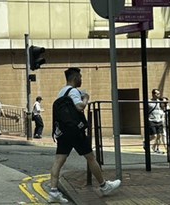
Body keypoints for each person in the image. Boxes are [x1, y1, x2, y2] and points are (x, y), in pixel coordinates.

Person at [48, 67, 121, 203]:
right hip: (75, 131)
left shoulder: (61, 92)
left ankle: (53, 192)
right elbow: (79, 106)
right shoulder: (74, 91)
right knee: (91, 158)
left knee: (58, 160)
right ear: (75, 78)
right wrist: (86, 99)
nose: (81, 79)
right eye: (80, 77)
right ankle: (104, 186)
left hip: (63, 131)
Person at [148, 89, 165, 154]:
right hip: (152, 120)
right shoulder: (149, 102)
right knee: (154, 136)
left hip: (159, 120)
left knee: (159, 135)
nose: (158, 95)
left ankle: (156, 148)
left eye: (159, 94)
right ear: (153, 94)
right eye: (157, 94)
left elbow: (163, 109)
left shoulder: (160, 101)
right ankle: (145, 142)